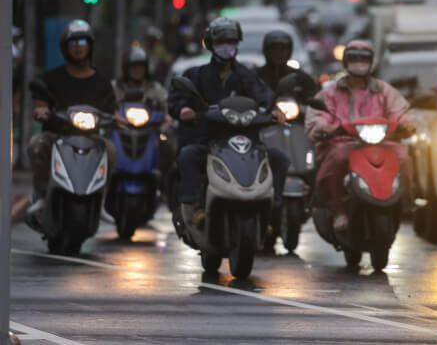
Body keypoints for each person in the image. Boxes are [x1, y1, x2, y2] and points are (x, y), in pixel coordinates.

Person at [167, 17, 290, 227]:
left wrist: (276, 110)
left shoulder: (247, 76)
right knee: (188, 156)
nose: (227, 47)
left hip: (246, 142)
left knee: (280, 158)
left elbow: (264, 97)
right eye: (221, 42)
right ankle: (195, 206)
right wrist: (184, 110)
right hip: (208, 140)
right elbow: (178, 99)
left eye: (231, 42)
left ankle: (272, 209)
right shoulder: (196, 75)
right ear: (210, 45)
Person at [305, 40, 415, 232]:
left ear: (371, 62)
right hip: (344, 143)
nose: (358, 63)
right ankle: (339, 210)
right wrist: (324, 127)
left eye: (363, 59)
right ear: (345, 62)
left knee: (403, 157)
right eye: (353, 58)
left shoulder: (384, 90)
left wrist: (406, 123)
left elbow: (400, 111)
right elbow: (318, 116)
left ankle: (405, 201)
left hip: (382, 143)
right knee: (337, 158)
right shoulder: (330, 92)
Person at [27, 20, 118, 212]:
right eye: (73, 43)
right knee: (37, 144)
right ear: (65, 48)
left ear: (90, 47)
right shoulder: (51, 78)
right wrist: (42, 110)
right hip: (57, 136)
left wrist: (120, 119)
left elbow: (112, 110)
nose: (78, 48)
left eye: (83, 43)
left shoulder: (101, 81)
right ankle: (42, 195)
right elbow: (41, 102)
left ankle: (100, 200)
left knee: (110, 150)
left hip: (91, 138)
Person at [112, 44, 175, 177]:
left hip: (150, 133)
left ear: (146, 68)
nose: (137, 70)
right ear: (126, 68)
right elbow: (106, 105)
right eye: (133, 66)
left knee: (170, 151)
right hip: (120, 133)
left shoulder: (155, 88)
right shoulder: (115, 87)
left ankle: (163, 188)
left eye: (140, 66)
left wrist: (165, 124)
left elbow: (167, 109)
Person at [257, 30, 319, 98]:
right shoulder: (255, 77)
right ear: (266, 50)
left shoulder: (302, 78)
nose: (278, 52)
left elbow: (312, 98)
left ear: (289, 50)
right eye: (273, 48)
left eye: (283, 48)